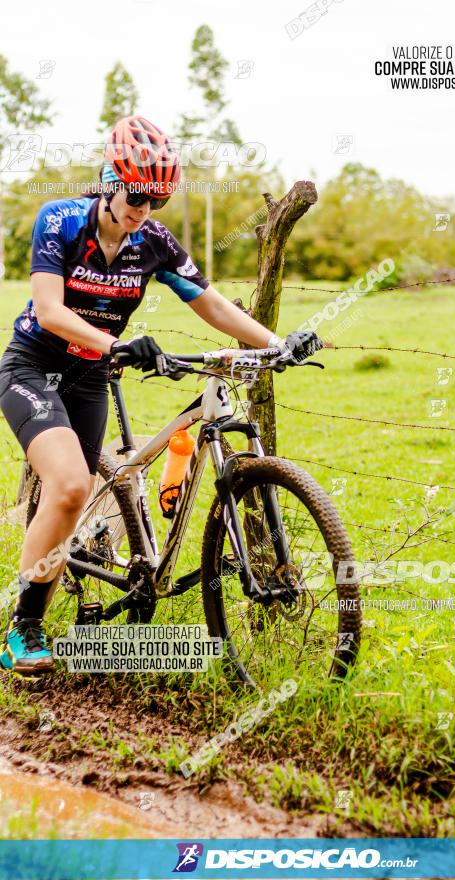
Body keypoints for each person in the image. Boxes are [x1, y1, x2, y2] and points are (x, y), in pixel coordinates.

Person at [0, 115, 321, 676]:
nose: (143, 208)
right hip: (34, 367)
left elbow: (210, 302)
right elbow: (50, 311)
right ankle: (20, 630)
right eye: (137, 194)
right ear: (109, 179)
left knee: (78, 499)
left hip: (90, 376)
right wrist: (118, 344)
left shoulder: (152, 241)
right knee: (72, 484)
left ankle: (52, 616)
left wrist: (278, 343)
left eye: (157, 200)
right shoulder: (62, 221)